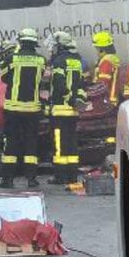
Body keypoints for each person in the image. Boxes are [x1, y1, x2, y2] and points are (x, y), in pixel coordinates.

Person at [0, 28, 46, 189]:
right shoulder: (41, 60)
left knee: (11, 141)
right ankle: (31, 179)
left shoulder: (11, 59)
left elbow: (4, 77)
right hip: (32, 109)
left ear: (21, 41)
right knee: (31, 142)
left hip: (13, 108)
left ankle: (8, 180)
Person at [47, 32, 87, 184]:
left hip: (60, 110)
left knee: (59, 144)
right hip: (73, 111)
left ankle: (60, 176)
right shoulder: (77, 61)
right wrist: (78, 100)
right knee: (71, 143)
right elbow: (81, 84)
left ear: (60, 46)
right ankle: (72, 175)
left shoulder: (59, 62)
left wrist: (68, 98)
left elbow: (59, 84)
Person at [91, 31, 121, 106]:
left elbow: (103, 84)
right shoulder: (112, 59)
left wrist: (90, 93)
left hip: (107, 102)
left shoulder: (106, 62)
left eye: (97, 49)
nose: (97, 52)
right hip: (112, 100)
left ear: (102, 49)